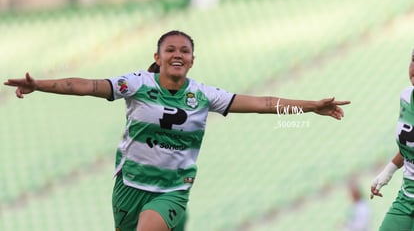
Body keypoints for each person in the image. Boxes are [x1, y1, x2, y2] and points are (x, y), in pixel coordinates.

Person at [4, 30, 350, 231]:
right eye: (170, 49)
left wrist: (310, 106)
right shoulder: (136, 84)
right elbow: (87, 86)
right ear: (157, 55)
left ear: (192, 60)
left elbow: (262, 103)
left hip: (172, 189)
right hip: (129, 186)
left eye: (185, 50)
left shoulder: (204, 95)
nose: (177, 54)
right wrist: (42, 85)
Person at [370, 49, 414, 231]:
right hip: (407, 199)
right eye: (413, 60)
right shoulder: (406, 97)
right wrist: (387, 172)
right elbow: (409, 147)